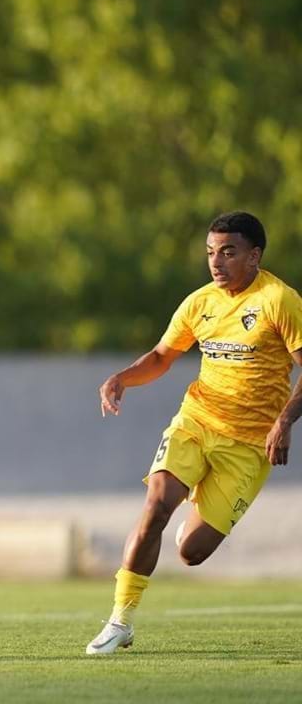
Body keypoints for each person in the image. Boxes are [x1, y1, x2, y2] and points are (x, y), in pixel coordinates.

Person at [87, 211, 302, 654]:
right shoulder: (199, 302)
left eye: (228, 252)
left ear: (255, 255)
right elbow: (163, 356)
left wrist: (284, 421)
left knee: (191, 551)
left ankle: (199, 507)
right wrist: (121, 378)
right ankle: (119, 620)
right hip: (198, 421)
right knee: (156, 505)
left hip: (248, 445)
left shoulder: (279, 300)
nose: (216, 262)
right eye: (210, 252)